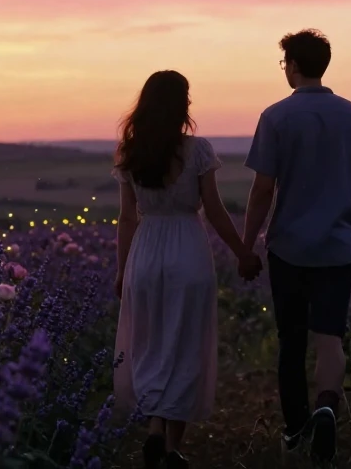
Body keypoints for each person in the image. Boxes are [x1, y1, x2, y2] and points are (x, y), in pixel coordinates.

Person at [112, 70, 263, 469]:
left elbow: (127, 219)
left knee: (149, 346)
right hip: (188, 252)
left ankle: (155, 429)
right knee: (184, 347)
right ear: (183, 105)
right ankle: (173, 446)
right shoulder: (197, 150)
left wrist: (121, 270)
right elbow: (212, 209)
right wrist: (242, 252)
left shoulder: (130, 152)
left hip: (145, 252)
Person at [241, 29, 351, 464]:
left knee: (291, 341)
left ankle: (296, 428)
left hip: (289, 248)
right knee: (330, 337)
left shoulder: (276, 117)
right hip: (339, 248)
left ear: (294, 66)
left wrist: (247, 244)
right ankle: (326, 408)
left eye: (285, 63)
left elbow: (263, 189)